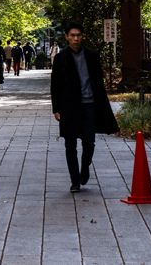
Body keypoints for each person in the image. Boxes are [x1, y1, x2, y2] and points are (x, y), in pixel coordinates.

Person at [50, 21, 119, 193]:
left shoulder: (91, 55)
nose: (75, 38)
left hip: (90, 105)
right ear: (66, 37)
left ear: (82, 36)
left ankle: (85, 167)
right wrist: (56, 108)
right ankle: (75, 180)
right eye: (72, 35)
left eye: (78, 35)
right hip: (69, 107)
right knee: (70, 144)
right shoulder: (61, 58)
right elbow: (55, 85)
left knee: (89, 142)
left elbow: (98, 82)